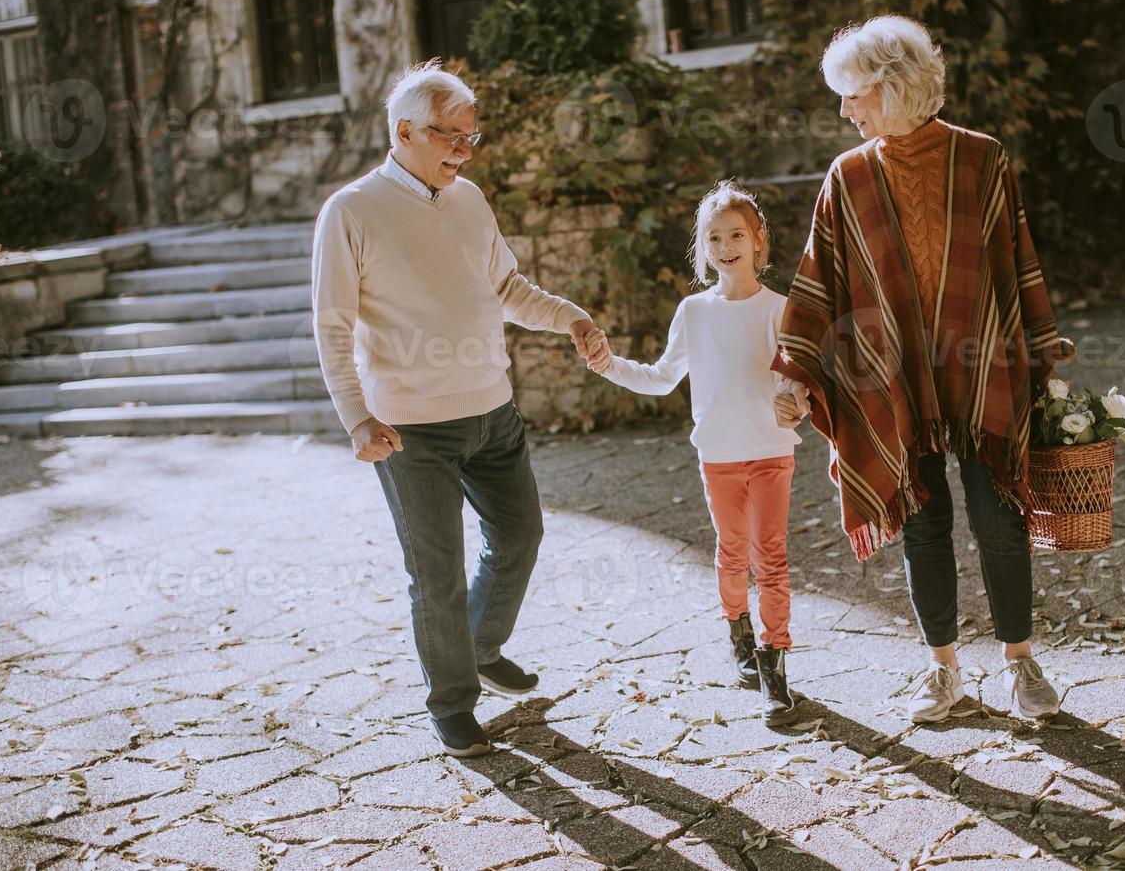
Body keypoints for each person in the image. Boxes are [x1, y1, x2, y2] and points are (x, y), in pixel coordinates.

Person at [771, 16, 1075, 724]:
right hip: (893, 375)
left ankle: (1021, 661)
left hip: (980, 365)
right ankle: (943, 673)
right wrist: (795, 371)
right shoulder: (847, 177)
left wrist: (1038, 347)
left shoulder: (982, 159)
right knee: (922, 519)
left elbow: (1011, 257)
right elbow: (819, 278)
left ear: (894, 85)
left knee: (999, 517)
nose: (844, 109)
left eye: (853, 93)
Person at [311, 60, 609, 757]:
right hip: (410, 428)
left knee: (521, 535)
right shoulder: (350, 211)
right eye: (451, 136)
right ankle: (451, 703)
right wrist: (357, 416)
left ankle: (480, 644)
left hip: (492, 412)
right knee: (435, 573)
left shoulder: (470, 200)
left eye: (472, 138)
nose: (463, 151)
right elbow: (332, 324)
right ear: (405, 130)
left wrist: (570, 317)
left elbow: (507, 284)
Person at [587, 181, 808, 725]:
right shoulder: (694, 312)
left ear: (758, 240)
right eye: (714, 237)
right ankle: (740, 637)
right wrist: (610, 365)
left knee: (771, 559)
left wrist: (797, 402)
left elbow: (801, 383)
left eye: (736, 233)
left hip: (771, 453)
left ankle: (774, 668)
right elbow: (663, 378)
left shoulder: (782, 310)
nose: (726, 244)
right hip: (719, 457)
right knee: (732, 553)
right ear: (703, 248)